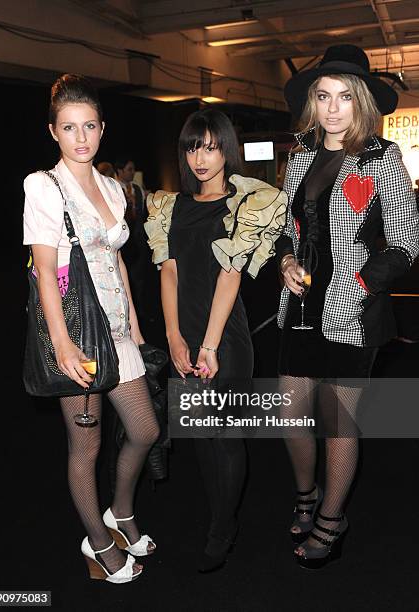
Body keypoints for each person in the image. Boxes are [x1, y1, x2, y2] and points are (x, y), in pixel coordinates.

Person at [277, 44, 419, 569]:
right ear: (312, 103)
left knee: (338, 423)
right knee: (291, 415)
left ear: (360, 103)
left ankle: (333, 519)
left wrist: (360, 280)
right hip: (297, 310)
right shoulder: (299, 158)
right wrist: (286, 260)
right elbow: (284, 231)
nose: (333, 107)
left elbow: (407, 240)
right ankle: (306, 495)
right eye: (323, 96)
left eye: (344, 97)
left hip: (351, 313)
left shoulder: (382, 159)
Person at [23, 74, 159, 583]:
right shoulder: (44, 186)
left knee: (146, 429)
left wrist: (139, 332)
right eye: (68, 128)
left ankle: (119, 512)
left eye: (89, 127)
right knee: (87, 446)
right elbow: (43, 268)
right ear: (53, 132)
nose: (80, 137)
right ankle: (98, 543)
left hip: (120, 331)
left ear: (102, 129)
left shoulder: (110, 187)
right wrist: (62, 341)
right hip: (80, 334)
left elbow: (119, 264)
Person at [144, 108, 287, 572]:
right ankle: (217, 514)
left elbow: (230, 276)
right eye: (192, 146)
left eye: (210, 145)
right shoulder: (171, 205)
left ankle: (223, 527)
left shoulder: (248, 204)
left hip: (225, 339)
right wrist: (173, 338)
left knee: (224, 437)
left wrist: (206, 345)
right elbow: (169, 273)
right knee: (199, 434)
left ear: (227, 147)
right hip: (183, 338)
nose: (201, 157)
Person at [114, 156, 150, 318]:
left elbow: (143, 212)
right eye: (129, 169)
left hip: (139, 240)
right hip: (123, 243)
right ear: (120, 171)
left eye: (133, 169)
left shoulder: (137, 189)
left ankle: (141, 312)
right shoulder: (113, 188)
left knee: (140, 279)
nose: (132, 172)